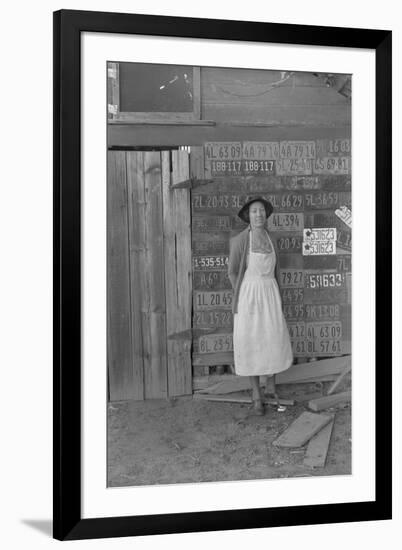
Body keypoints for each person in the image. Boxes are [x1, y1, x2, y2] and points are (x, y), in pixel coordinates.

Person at [228, 197, 293, 416]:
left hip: (270, 292)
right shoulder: (239, 241)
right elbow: (233, 271)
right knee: (251, 342)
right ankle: (256, 394)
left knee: (273, 338)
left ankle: (271, 386)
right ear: (248, 215)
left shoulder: (271, 239)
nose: (259, 215)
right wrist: (241, 293)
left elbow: (277, 271)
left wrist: (278, 295)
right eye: (255, 211)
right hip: (249, 295)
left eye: (262, 211)